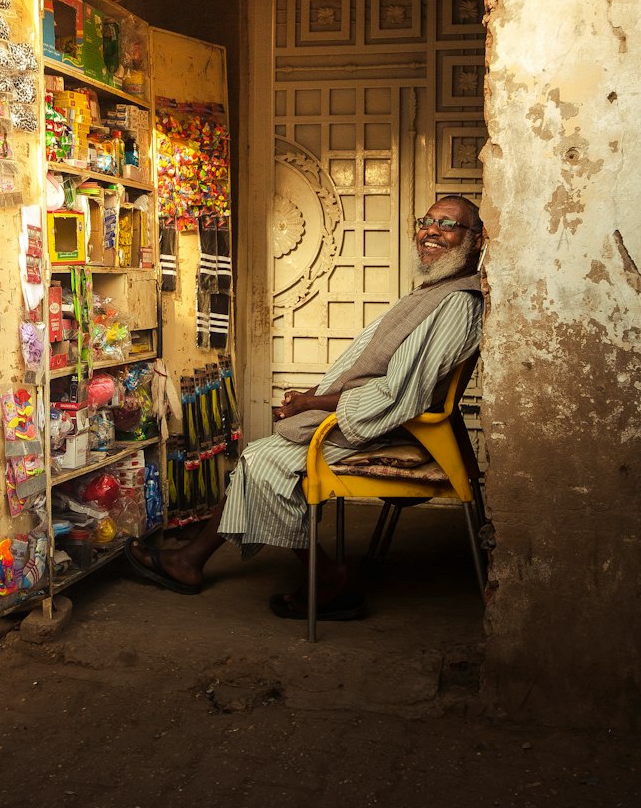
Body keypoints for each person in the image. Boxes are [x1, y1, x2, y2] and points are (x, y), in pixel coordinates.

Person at [124, 195, 485, 620]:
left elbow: (397, 395)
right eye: (427, 220)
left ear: (475, 240)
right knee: (258, 459)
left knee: (259, 461)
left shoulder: (459, 301)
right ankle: (190, 561)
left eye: (447, 225)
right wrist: (310, 399)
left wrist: (313, 403)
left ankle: (323, 574)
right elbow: (363, 364)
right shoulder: (434, 292)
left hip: (391, 426)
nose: (430, 230)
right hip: (372, 413)